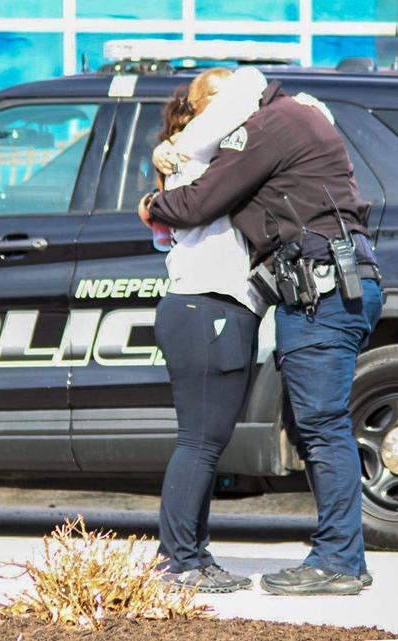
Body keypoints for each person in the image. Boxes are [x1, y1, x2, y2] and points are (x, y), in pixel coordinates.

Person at [140, 77, 383, 596]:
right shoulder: (292, 117)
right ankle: (184, 559)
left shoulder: (265, 127)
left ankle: (337, 560)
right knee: (279, 431)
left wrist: (154, 199)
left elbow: (194, 204)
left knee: (318, 428)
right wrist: (161, 190)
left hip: (316, 290)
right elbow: (190, 208)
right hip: (270, 295)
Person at [139, 67, 270, 593]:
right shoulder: (194, 150)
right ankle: (178, 563)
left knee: (207, 445)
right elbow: (244, 93)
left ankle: (195, 553)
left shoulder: (210, 153)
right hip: (203, 306)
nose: (237, 107)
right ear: (201, 111)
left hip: (220, 307)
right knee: (198, 442)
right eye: (216, 100)